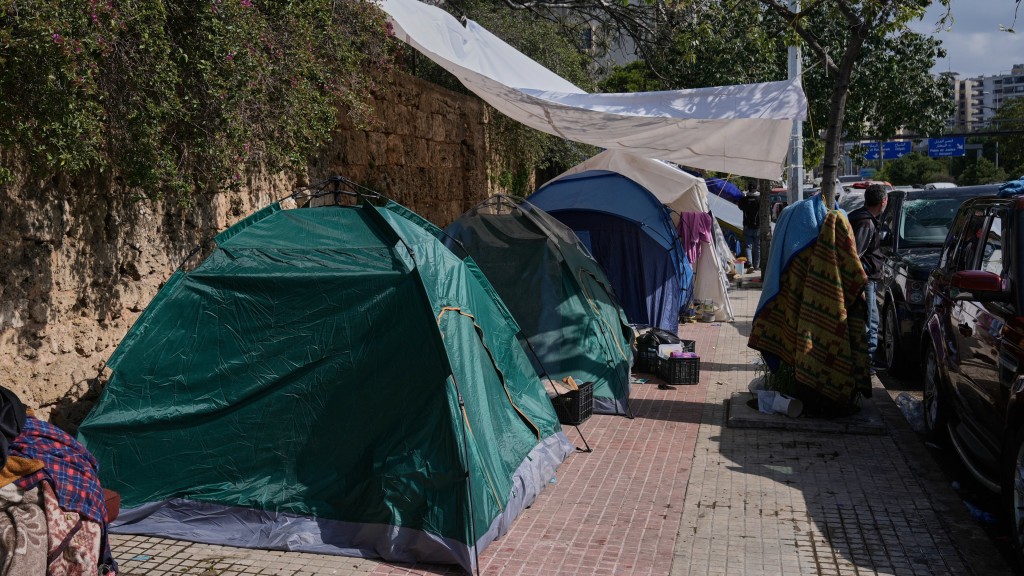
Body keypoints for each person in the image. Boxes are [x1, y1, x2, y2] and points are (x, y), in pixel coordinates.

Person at [848, 184, 888, 374]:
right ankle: (867, 362)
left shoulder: (861, 217)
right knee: (870, 321)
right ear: (883, 201)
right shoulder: (866, 223)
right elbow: (855, 254)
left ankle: (865, 360)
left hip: (865, 278)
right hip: (865, 279)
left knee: (870, 320)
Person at [738, 187, 761, 272]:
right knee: (757, 247)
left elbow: (740, 206)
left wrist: (743, 197)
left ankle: (750, 264)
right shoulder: (760, 198)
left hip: (747, 226)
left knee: (748, 246)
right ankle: (757, 266)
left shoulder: (744, 199)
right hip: (758, 226)